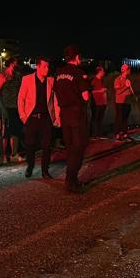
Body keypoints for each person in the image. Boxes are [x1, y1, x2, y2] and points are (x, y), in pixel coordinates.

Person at [53, 45, 91, 193]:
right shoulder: (78, 73)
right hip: (77, 115)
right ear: (76, 57)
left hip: (64, 115)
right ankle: (70, 179)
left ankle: (73, 180)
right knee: (79, 148)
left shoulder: (58, 73)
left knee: (70, 148)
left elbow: (55, 93)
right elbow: (85, 96)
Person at [18, 57, 59, 179]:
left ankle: (45, 171)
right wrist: (23, 116)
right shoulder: (27, 79)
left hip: (46, 118)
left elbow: (55, 100)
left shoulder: (51, 81)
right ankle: (30, 166)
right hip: (31, 118)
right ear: (38, 67)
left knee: (47, 146)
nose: (47, 69)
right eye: (45, 66)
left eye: (48, 66)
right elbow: (21, 99)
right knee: (30, 145)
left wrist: (57, 117)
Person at [0, 57, 24, 163]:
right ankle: (3, 156)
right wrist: (2, 109)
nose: (17, 65)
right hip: (5, 108)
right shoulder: (2, 76)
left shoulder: (16, 76)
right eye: (15, 63)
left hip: (15, 107)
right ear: (12, 64)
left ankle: (13, 154)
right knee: (4, 133)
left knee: (14, 132)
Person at [113, 64, 134, 141]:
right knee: (119, 118)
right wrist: (126, 86)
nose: (130, 71)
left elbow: (130, 91)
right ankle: (117, 135)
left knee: (125, 119)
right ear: (126, 70)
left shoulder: (127, 79)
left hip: (127, 101)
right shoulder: (117, 79)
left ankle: (125, 134)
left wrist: (132, 94)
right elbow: (117, 92)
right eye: (129, 69)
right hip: (120, 102)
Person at [90, 66, 107, 138]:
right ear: (99, 72)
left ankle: (99, 134)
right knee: (95, 118)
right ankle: (93, 135)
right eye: (103, 71)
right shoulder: (94, 80)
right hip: (96, 102)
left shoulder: (102, 80)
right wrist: (100, 91)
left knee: (100, 119)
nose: (104, 72)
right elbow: (90, 91)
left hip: (102, 102)